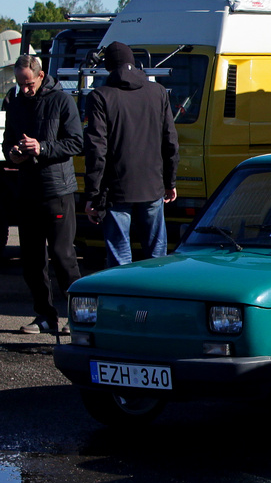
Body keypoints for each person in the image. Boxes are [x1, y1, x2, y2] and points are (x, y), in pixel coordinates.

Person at [1, 55, 83, 334]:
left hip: (57, 191)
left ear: (40, 76)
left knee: (62, 257)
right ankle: (45, 316)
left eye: (28, 83)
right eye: (19, 84)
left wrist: (43, 148)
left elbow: (76, 142)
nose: (24, 89)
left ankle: (78, 316)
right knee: (33, 261)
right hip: (27, 192)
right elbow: (7, 142)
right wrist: (13, 154)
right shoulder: (15, 104)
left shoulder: (61, 101)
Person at [83, 42, 180, 266]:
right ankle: (158, 298)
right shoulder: (157, 92)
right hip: (153, 185)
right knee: (157, 258)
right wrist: (170, 180)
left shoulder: (100, 96)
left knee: (120, 258)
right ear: (133, 63)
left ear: (108, 67)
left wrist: (92, 194)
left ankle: (123, 300)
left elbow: (96, 149)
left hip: (116, 190)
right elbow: (170, 141)